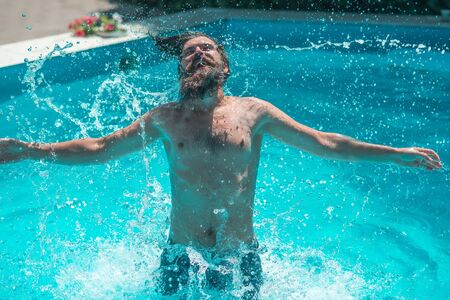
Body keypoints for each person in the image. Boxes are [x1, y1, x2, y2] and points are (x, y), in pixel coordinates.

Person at [0, 32, 442, 298]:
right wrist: (28, 149)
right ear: (180, 71)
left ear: (224, 66)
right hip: (179, 255)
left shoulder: (255, 112)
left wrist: (398, 155)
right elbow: (98, 148)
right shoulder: (164, 119)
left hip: (241, 256)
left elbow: (326, 143)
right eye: (189, 52)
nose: (197, 54)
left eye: (207, 49)